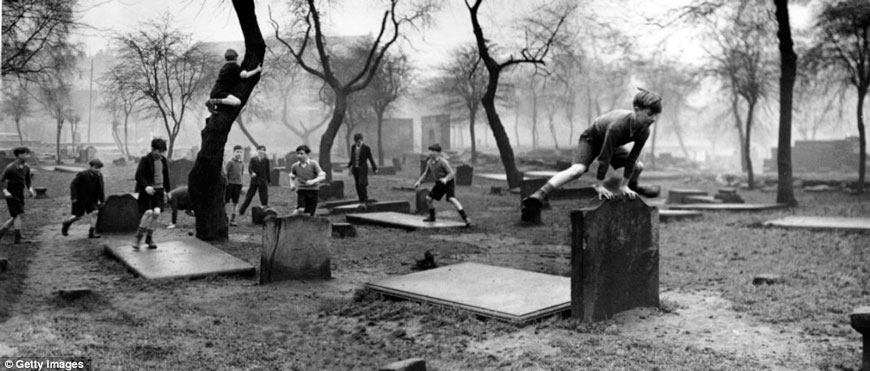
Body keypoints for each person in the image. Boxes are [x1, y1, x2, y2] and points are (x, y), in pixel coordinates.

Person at [522, 89, 662, 215]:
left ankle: (632, 186)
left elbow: (632, 158)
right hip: (592, 139)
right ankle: (540, 194)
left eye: (656, 115)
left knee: (638, 166)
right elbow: (604, 157)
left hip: (612, 144)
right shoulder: (617, 126)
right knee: (577, 170)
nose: (653, 119)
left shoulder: (644, 131)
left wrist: (624, 185)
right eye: (650, 114)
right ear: (637, 110)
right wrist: (599, 185)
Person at [414, 144, 471, 227]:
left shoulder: (443, 162)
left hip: (448, 182)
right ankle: (432, 217)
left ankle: (465, 218)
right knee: (429, 199)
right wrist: (419, 182)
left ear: (438, 153)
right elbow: (426, 173)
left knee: (451, 199)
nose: (430, 153)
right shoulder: (429, 162)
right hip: (439, 183)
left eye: (433, 151)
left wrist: (445, 179)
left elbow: (451, 173)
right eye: (430, 151)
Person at [132, 138, 170, 249]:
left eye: (163, 151)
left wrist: (167, 191)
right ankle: (138, 238)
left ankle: (149, 238)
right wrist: (146, 186)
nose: (161, 154)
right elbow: (138, 175)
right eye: (159, 151)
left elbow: (166, 176)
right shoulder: (145, 160)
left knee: (157, 213)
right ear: (153, 149)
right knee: (148, 212)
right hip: (147, 191)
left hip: (159, 190)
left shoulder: (163, 160)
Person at [204, 49, 262, 113]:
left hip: (215, 92)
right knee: (237, 102)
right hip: (220, 93)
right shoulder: (234, 66)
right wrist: (257, 70)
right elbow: (245, 75)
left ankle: (213, 101)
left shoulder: (225, 66)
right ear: (235, 57)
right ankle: (212, 101)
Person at [0, 147, 37, 244]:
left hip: (20, 193)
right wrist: (5, 191)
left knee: (16, 215)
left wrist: (30, 189)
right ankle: (17, 237)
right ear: (20, 155)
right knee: (18, 214)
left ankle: (2, 232)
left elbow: (28, 180)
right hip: (11, 193)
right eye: (26, 154)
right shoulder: (10, 168)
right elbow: (1, 180)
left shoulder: (26, 167)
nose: (28, 156)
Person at [61, 159, 105, 239]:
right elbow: (73, 184)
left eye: (99, 168)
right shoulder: (83, 174)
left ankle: (92, 232)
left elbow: (101, 188)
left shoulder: (99, 175)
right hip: (80, 199)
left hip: (92, 199)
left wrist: (102, 200)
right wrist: (74, 197)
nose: (97, 169)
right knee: (77, 217)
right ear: (91, 167)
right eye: (96, 167)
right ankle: (66, 223)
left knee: (95, 212)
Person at [288, 145, 326, 216]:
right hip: (302, 189)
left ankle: (303, 223)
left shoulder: (313, 164)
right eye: (298, 153)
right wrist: (292, 185)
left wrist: (313, 181)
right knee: (301, 209)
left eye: (301, 153)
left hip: (313, 190)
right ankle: (290, 218)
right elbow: (292, 177)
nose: (299, 156)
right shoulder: (295, 166)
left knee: (310, 214)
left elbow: (322, 176)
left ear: (307, 154)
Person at [238, 145, 270, 215]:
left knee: (264, 197)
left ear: (264, 152)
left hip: (263, 181)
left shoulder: (266, 160)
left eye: (263, 150)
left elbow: (267, 171)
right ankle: (241, 211)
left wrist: (269, 180)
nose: (261, 151)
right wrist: (252, 173)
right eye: (260, 150)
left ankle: (265, 212)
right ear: (257, 151)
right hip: (254, 181)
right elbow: (250, 168)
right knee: (249, 196)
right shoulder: (253, 159)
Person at [346, 133, 377, 204]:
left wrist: (374, 168)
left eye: (359, 141)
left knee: (362, 183)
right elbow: (352, 158)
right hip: (355, 169)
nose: (358, 143)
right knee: (357, 184)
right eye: (356, 141)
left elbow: (370, 158)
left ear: (361, 140)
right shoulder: (353, 147)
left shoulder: (366, 148)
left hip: (362, 169)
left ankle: (365, 198)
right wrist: (349, 165)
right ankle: (361, 198)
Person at [225, 145, 244, 226]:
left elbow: (241, 173)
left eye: (240, 152)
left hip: (238, 185)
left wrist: (241, 183)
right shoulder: (230, 163)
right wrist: (227, 183)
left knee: (235, 203)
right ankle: (223, 217)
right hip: (230, 184)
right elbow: (226, 173)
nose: (238, 153)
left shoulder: (242, 164)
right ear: (234, 152)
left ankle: (233, 220)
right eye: (237, 152)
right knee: (225, 201)